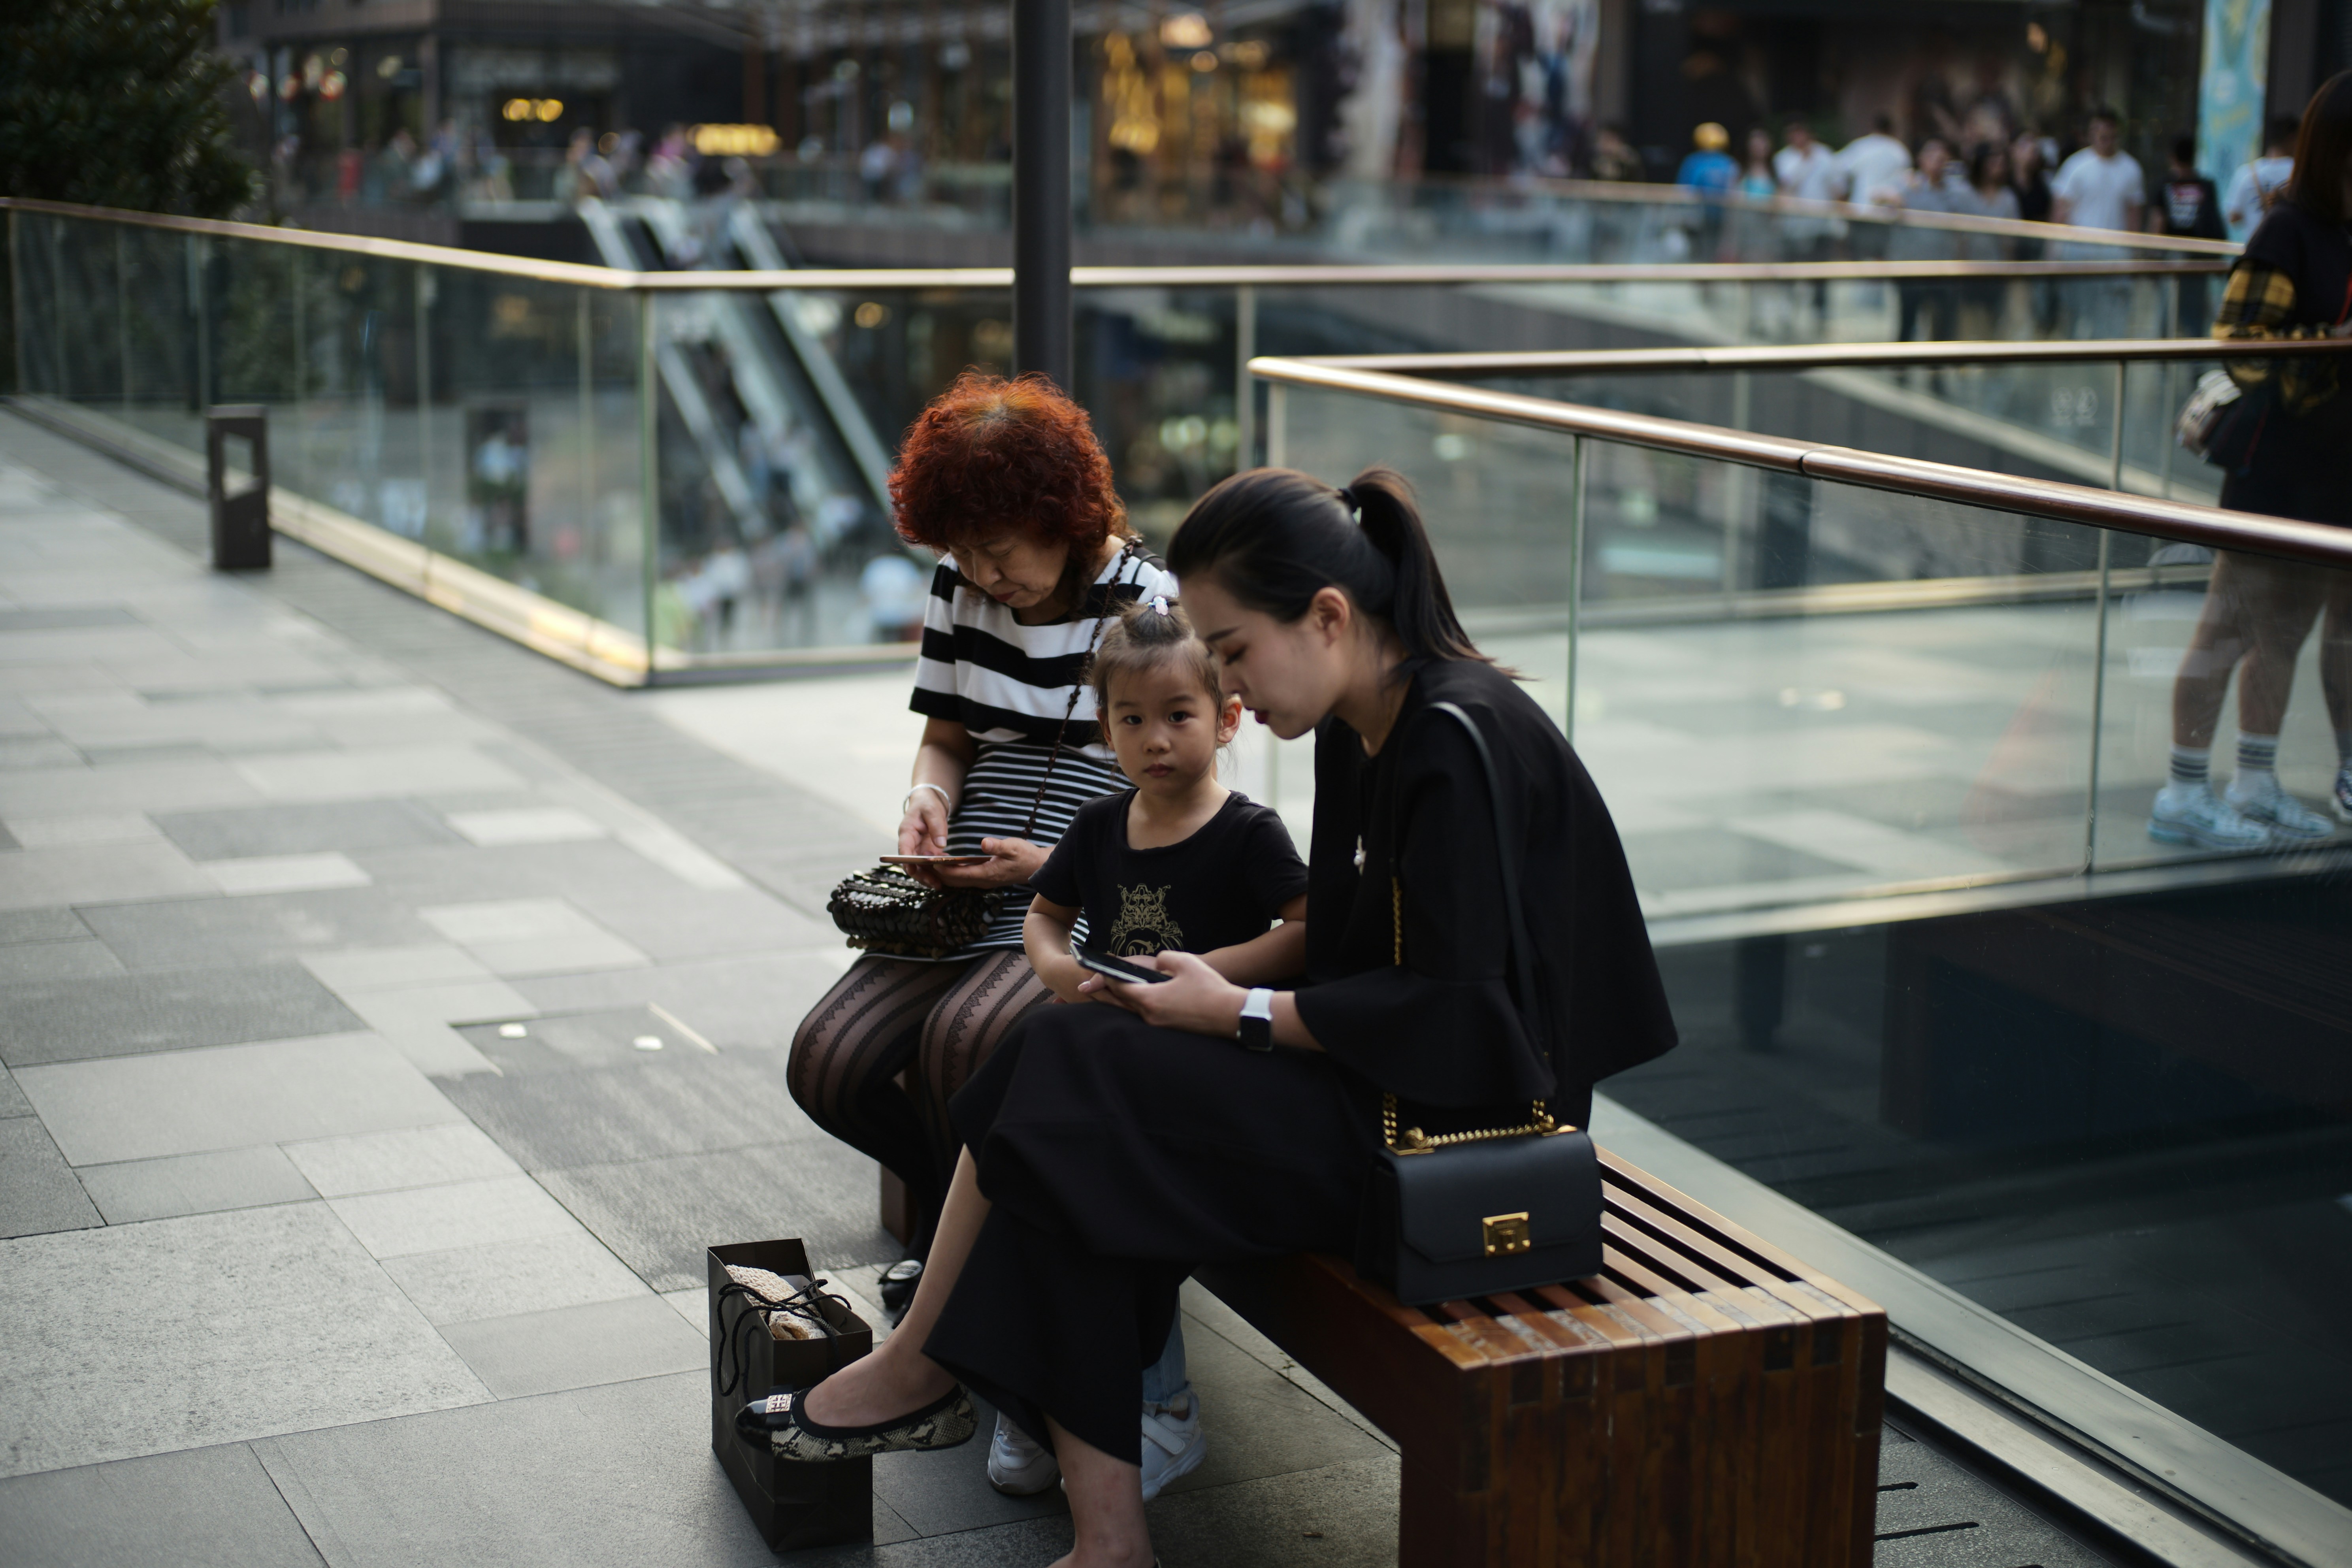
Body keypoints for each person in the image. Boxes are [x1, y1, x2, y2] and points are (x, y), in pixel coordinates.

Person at [747, 467, 1678, 1568]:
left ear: (1327, 618)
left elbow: (1461, 1022)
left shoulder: (1454, 740)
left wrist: (1236, 1013)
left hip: (1452, 1133)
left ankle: (950, 1384)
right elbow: (1344, 941)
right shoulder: (1362, 724)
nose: (1229, 683)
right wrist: (1209, 993)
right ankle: (1080, 1509)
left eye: (1233, 651)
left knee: (1075, 1100)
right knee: (1069, 1071)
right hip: (1371, 1076)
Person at [990, 596, 1312, 1501]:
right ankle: (1035, 1395)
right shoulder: (1099, 826)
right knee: (1037, 1147)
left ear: (1228, 716)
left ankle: (1156, 1401)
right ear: (1105, 727)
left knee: (1096, 1168)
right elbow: (1045, 918)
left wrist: (1204, 974)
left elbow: (1308, 928)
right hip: (1112, 1045)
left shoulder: (1247, 831)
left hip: (1208, 1062)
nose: (1155, 738)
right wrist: (1060, 974)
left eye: (1179, 714)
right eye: (1131, 719)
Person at [2152, 71, 2352, 847]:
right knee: (2230, 625)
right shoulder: (2289, 231)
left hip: (2329, 466)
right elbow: (2239, 345)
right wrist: (2329, 346)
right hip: (2278, 465)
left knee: (2286, 630)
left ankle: (2256, 781)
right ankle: (2182, 789)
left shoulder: (2336, 231)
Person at [2051, 107, 2146, 337]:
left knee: (2112, 320)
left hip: (2115, 257)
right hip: (2078, 255)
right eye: (2100, 133)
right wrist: (2054, 251)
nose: (2105, 139)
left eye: (2109, 134)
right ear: (2092, 134)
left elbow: (2133, 214)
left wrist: (2134, 255)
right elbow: (2061, 211)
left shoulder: (2130, 168)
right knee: (2075, 315)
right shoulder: (2076, 166)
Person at [2148, 134, 2226, 334]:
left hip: (2172, 257)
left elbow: (2158, 223)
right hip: (2198, 257)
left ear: (2172, 156)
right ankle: (2194, 357)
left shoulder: (2164, 185)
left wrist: (2153, 259)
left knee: (2168, 310)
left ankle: (2166, 356)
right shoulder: (2206, 185)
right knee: (2196, 310)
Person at [1886, 139, 1961, 343]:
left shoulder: (1954, 191)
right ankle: (1900, 365)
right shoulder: (1907, 184)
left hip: (1942, 269)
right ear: (1921, 160)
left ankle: (1936, 371)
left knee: (1940, 323)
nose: (1938, 162)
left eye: (1942, 158)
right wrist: (1895, 198)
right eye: (1932, 157)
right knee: (1908, 320)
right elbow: (1879, 197)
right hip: (1911, 268)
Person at [1951, 141, 2021, 336]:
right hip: (1969, 272)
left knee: (1995, 324)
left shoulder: (2008, 198)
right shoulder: (1963, 194)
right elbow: (1957, 235)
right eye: (1993, 162)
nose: (1998, 167)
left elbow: (2011, 241)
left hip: (1997, 272)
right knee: (1969, 323)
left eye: (2001, 163)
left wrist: (2009, 271)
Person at [1838, 113, 1914, 261]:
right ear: (1892, 130)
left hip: (1860, 211)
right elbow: (1907, 183)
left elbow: (1838, 170)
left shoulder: (1861, 147)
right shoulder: (1899, 151)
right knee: (1881, 259)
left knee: (1860, 259)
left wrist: (1843, 199)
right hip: (1885, 215)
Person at [2222, 115, 2300, 242]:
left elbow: (2233, 217)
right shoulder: (2299, 172)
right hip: (2289, 251)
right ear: (2293, 138)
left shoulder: (2246, 172)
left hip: (2254, 249)